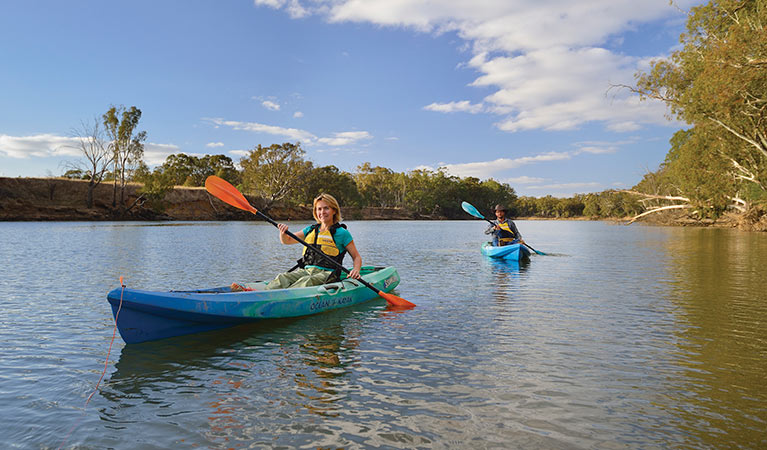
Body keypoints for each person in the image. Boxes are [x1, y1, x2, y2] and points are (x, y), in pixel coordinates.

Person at [232, 193, 362, 291]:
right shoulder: (310, 230)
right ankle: (256, 294)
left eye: (326, 208)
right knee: (284, 277)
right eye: (319, 209)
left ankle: (280, 298)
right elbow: (287, 241)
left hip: (328, 274)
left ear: (334, 210)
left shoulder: (342, 233)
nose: (322, 212)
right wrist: (282, 233)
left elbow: (356, 257)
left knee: (307, 281)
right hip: (307, 270)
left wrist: (356, 270)